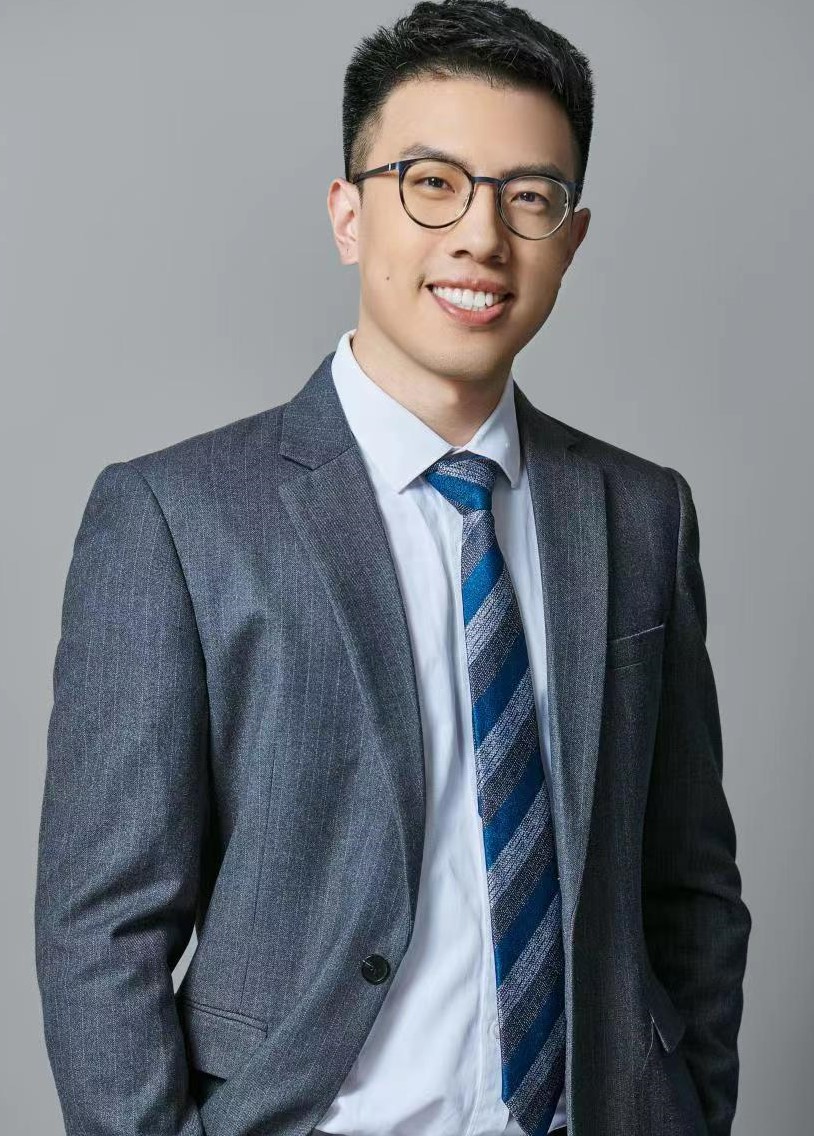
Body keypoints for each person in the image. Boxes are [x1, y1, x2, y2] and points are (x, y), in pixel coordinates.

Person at [34, 2, 752, 1134]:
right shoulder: (177, 517)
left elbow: (690, 886)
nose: (482, 236)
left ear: (570, 239)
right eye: (432, 183)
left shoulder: (640, 514)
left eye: (529, 196)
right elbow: (100, 927)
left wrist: (688, 1105)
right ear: (348, 214)